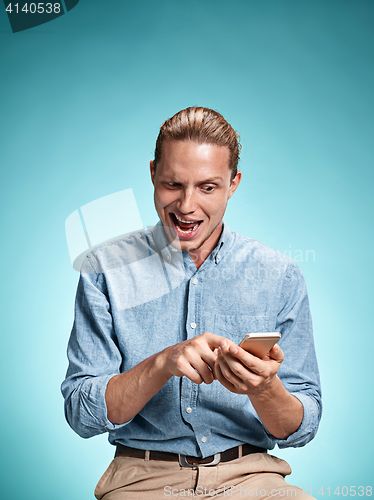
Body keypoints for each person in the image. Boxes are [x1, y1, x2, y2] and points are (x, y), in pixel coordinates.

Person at [61, 107, 321, 500]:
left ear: (233, 184)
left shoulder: (279, 274)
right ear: (152, 173)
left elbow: (302, 427)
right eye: (172, 184)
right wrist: (163, 362)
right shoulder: (104, 269)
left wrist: (264, 387)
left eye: (208, 187)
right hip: (141, 480)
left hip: (251, 478)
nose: (186, 205)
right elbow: (81, 413)